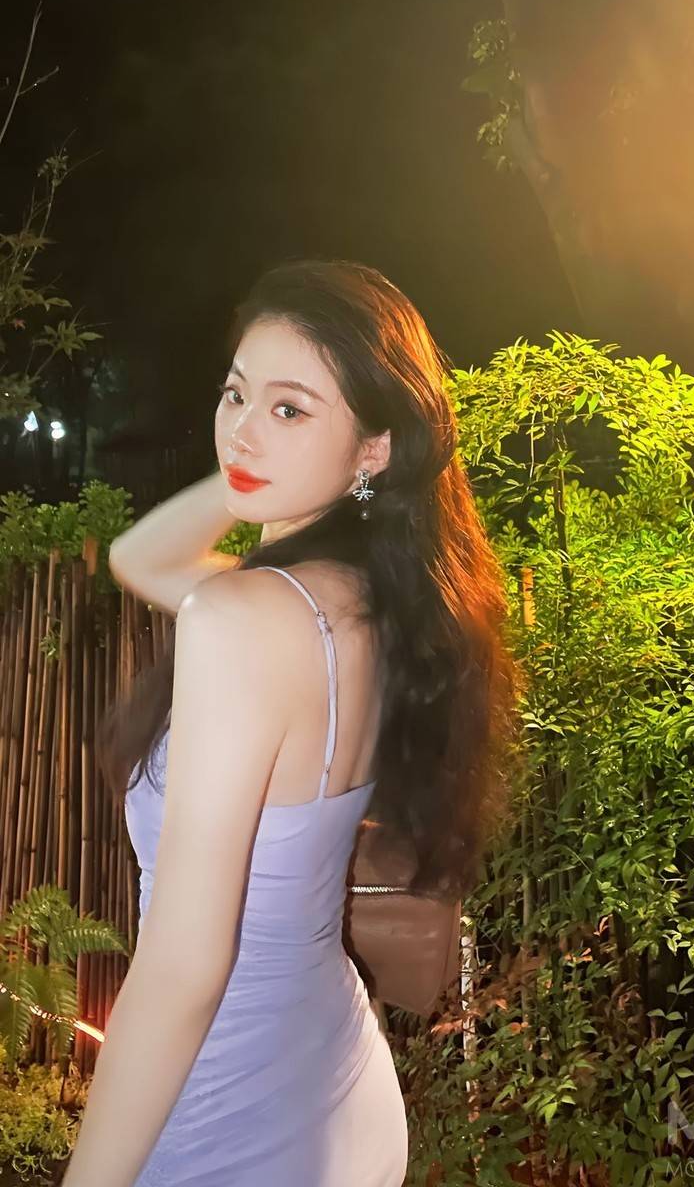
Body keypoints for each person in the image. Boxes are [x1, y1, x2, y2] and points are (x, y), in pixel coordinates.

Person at [61, 259, 523, 1186]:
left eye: (290, 409)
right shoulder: (367, 602)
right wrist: (270, 457)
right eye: (234, 394)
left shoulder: (246, 620)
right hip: (331, 1080)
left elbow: (186, 966)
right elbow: (141, 557)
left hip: (223, 1103)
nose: (240, 428)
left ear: (375, 449)